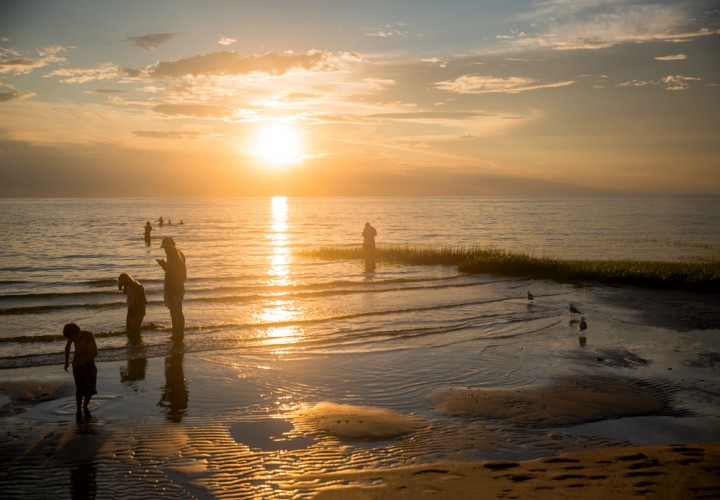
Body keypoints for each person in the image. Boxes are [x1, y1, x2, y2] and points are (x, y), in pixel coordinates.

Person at [63, 323, 98, 418]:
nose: (71, 339)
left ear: (77, 332)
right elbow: (67, 348)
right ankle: (78, 409)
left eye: (72, 337)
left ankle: (85, 406)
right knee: (79, 388)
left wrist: (83, 361)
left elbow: (95, 352)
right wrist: (66, 362)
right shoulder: (71, 337)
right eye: (69, 338)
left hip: (89, 364)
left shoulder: (88, 335)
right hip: (77, 365)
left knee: (90, 388)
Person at [157, 236, 187, 338]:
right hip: (179, 287)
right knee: (178, 311)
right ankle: (180, 332)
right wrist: (164, 264)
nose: (164, 250)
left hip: (173, 288)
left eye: (165, 248)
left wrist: (162, 264)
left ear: (169, 247)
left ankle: (176, 333)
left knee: (174, 312)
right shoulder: (180, 255)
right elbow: (176, 272)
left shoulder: (171, 256)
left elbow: (170, 273)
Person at [118, 273, 147, 343]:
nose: (120, 282)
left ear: (125, 279)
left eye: (121, 281)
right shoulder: (129, 285)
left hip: (138, 308)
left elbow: (140, 298)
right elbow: (124, 293)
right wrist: (122, 285)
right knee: (129, 329)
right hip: (131, 308)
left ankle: (137, 343)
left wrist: (140, 311)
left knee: (135, 329)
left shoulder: (135, 285)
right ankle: (132, 342)